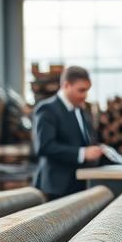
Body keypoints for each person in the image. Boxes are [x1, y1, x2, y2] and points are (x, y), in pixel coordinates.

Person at [32, 66, 104, 198]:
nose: (85, 96)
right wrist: (82, 153)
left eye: (87, 91)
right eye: (81, 90)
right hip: (56, 188)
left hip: (80, 184)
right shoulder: (47, 109)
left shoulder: (80, 110)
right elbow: (44, 146)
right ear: (66, 85)